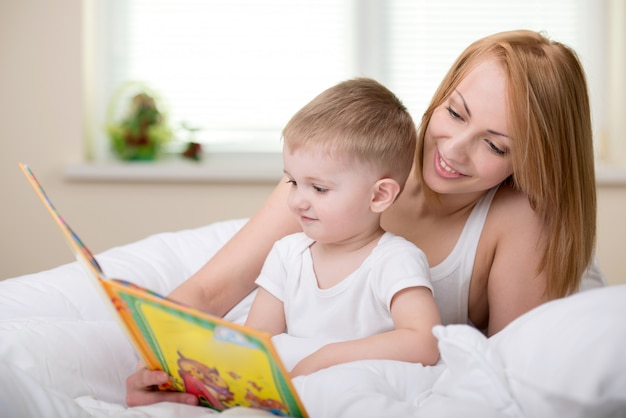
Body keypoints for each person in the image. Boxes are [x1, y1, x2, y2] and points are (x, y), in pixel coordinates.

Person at [126, 29, 604, 407]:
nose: (454, 151)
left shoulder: (520, 219)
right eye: (455, 113)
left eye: (495, 144)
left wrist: (324, 362)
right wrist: (159, 359)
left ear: (533, 161)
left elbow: (508, 374)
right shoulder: (346, 170)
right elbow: (212, 288)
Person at [243, 78, 441, 378]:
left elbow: (424, 342)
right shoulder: (287, 255)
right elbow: (254, 344)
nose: (297, 201)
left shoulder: (394, 260)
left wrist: (328, 357)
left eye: (319, 189)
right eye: (293, 182)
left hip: (359, 386)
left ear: (378, 196)